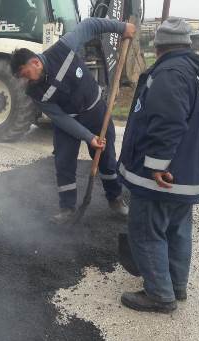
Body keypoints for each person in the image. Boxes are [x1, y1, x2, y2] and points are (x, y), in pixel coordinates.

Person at [117, 18, 199, 313]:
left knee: (146, 231)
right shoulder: (195, 70)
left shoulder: (170, 72)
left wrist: (155, 165)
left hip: (162, 176)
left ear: (158, 46)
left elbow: (168, 121)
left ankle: (159, 295)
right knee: (177, 230)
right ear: (187, 44)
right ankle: (176, 286)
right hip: (186, 172)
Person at [10, 18, 136, 224]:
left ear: (35, 62)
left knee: (106, 157)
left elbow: (90, 25)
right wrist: (88, 137)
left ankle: (115, 199)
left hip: (95, 111)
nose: (25, 80)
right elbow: (59, 117)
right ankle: (67, 208)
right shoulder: (34, 91)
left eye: (25, 74)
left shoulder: (63, 48)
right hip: (68, 121)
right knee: (63, 161)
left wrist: (122, 28)